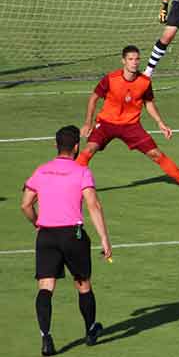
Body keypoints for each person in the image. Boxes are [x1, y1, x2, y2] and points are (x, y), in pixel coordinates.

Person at [21, 125, 112, 355]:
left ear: (55, 145)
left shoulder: (41, 171)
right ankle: (90, 331)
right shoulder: (82, 171)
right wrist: (104, 239)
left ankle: (46, 338)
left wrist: (37, 223)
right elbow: (93, 205)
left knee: (45, 287)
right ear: (76, 147)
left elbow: (25, 204)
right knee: (83, 284)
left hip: (47, 235)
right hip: (74, 234)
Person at [76, 45, 179, 195]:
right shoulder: (111, 79)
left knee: (156, 154)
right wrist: (88, 123)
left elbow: (149, 103)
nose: (134, 62)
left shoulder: (144, 82)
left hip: (131, 126)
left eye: (137, 59)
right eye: (130, 59)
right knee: (89, 150)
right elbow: (93, 99)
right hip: (106, 124)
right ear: (123, 61)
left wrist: (160, 123)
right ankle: (68, 183)